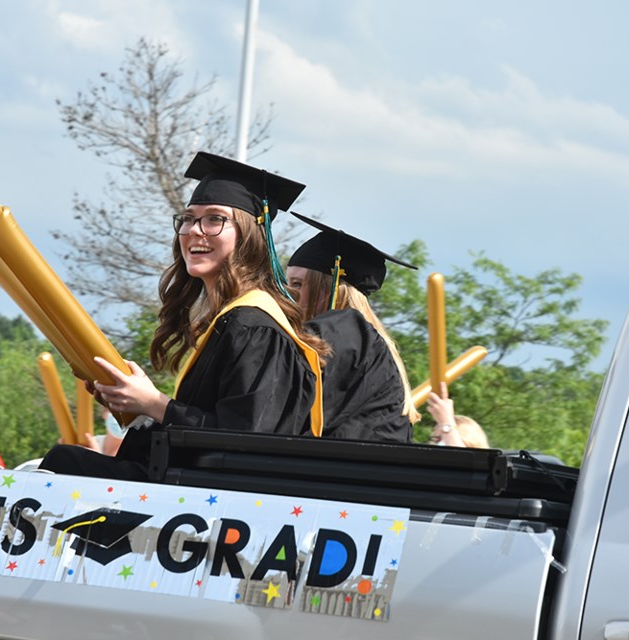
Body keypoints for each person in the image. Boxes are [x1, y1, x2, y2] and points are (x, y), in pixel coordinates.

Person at [39, 151, 328, 479]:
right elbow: (205, 426)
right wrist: (135, 408)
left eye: (215, 219)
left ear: (249, 234)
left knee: (65, 465)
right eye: (188, 218)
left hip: (217, 505)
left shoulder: (254, 326)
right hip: (191, 486)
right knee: (66, 463)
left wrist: (154, 403)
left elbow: (245, 440)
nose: (194, 230)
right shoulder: (230, 320)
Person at [285, 212, 419, 442]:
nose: (287, 294)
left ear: (331, 289)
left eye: (297, 284)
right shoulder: (368, 341)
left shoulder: (343, 335)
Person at [424, 382, 490, 448]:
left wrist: (446, 422)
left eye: (447, 433)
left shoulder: (478, 458)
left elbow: (461, 456)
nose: (438, 445)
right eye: (436, 439)